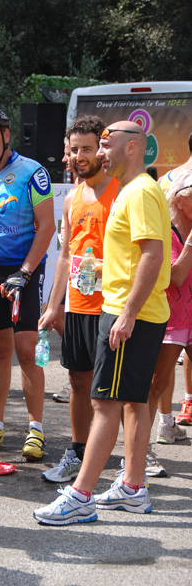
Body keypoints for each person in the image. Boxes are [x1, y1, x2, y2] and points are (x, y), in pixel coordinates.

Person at [34, 121, 171, 525]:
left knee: (104, 403)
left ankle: (80, 496)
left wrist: (126, 313)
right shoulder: (134, 190)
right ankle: (132, 487)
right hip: (129, 311)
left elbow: (152, 254)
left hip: (129, 313)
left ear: (132, 149)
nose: (100, 154)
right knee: (130, 400)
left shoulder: (140, 191)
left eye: (107, 146)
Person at [0, 106, 55, 460]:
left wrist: (26, 271)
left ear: (6, 135)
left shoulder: (33, 172)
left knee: (26, 350)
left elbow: (46, 226)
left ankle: (35, 429)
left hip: (25, 271)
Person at [39, 115, 120, 484]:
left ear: (101, 150)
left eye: (88, 148)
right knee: (77, 381)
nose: (81, 156)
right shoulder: (71, 198)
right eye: (75, 150)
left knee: (116, 389)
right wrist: (53, 305)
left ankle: (137, 460)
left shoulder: (121, 191)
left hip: (112, 307)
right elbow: (66, 257)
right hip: (78, 306)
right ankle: (77, 451)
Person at [148, 172, 192, 452]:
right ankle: (162, 427)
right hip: (172, 315)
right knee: (160, 379)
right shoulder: (170, 231)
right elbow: (175, 277)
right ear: (179, 199)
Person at [51, 137, 81, 405]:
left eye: (68, 152)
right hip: (73, 274)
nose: (64, 159)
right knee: (58, 315)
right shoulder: (72, 191)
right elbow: (64, 249)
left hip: (93, 284)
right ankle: (75, 378)